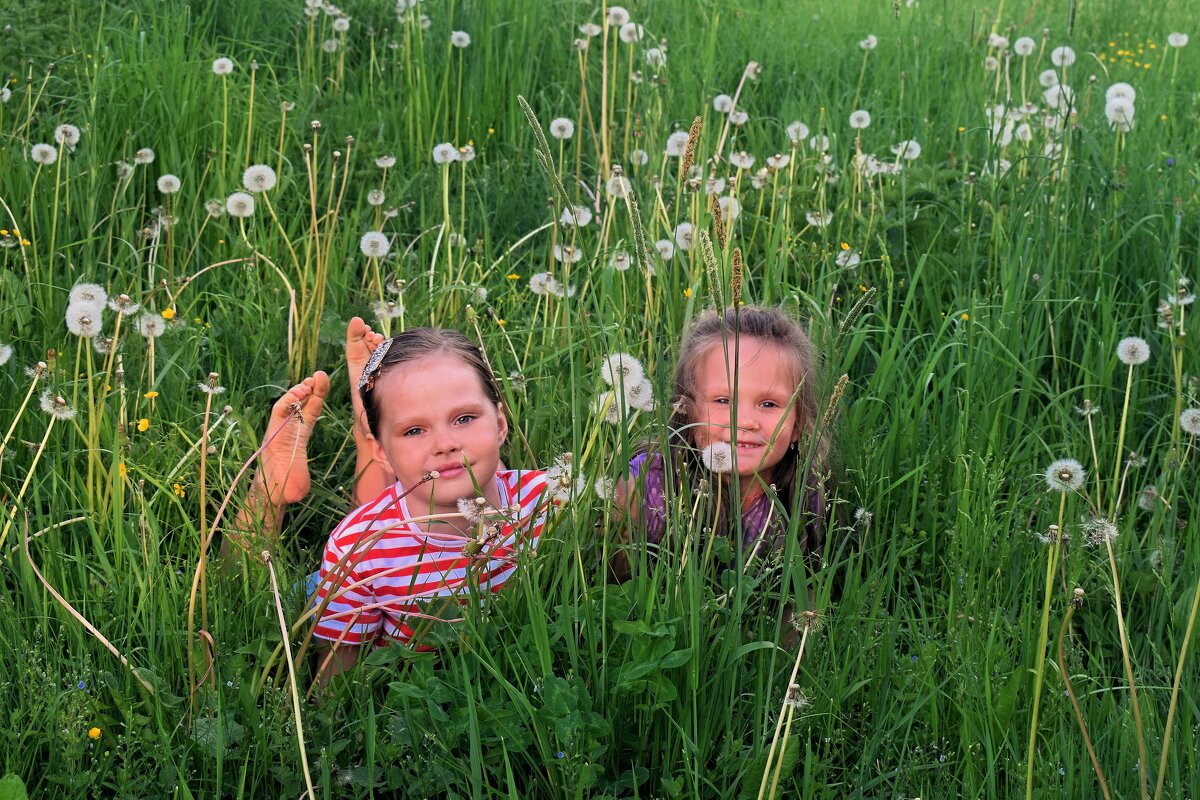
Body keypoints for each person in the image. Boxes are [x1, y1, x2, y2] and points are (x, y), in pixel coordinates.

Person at [308, 327, 548, 685]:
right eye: (414, 430)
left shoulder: (545, 501)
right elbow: (336, 682)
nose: (445, 443)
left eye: (464, 418)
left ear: (500, 423)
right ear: (382, 453)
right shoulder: (359, 552)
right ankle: (368, 421)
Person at [616, 306, 829, 571]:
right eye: (723, 400)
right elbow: (610, 588)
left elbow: (803, 597)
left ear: (797, 424)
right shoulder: (646, 487)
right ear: (685, 409)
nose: (744, 421)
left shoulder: (804, 498)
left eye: (769, 404)